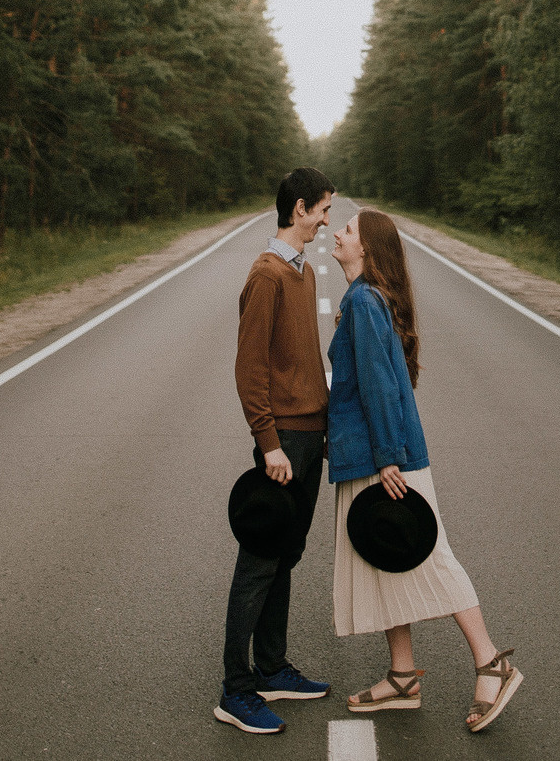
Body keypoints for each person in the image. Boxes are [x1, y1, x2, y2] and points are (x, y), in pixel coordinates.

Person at [328, 208, 525, 734]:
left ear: (366, 248)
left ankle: (491, 663)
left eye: (346, 230)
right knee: (386, 556)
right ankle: (401, 677)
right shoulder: (366, 300)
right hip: (375, 454)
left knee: (429, 558)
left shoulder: (362, 301)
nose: (336, 234)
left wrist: (388, 457)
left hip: (386, 460)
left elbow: (378, 385)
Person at [214, 167, 337, 735]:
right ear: (299, 210)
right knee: (259, 563)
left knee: (286, 554)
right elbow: (250, 368)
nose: (326, 221)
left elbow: (306, 362)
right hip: (284, 440)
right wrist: (269, 443)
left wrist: (326, 426)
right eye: (322, 210)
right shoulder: (267, 275)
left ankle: (272, 666)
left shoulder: (303, 273)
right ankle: (235, 690)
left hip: (310, 435)